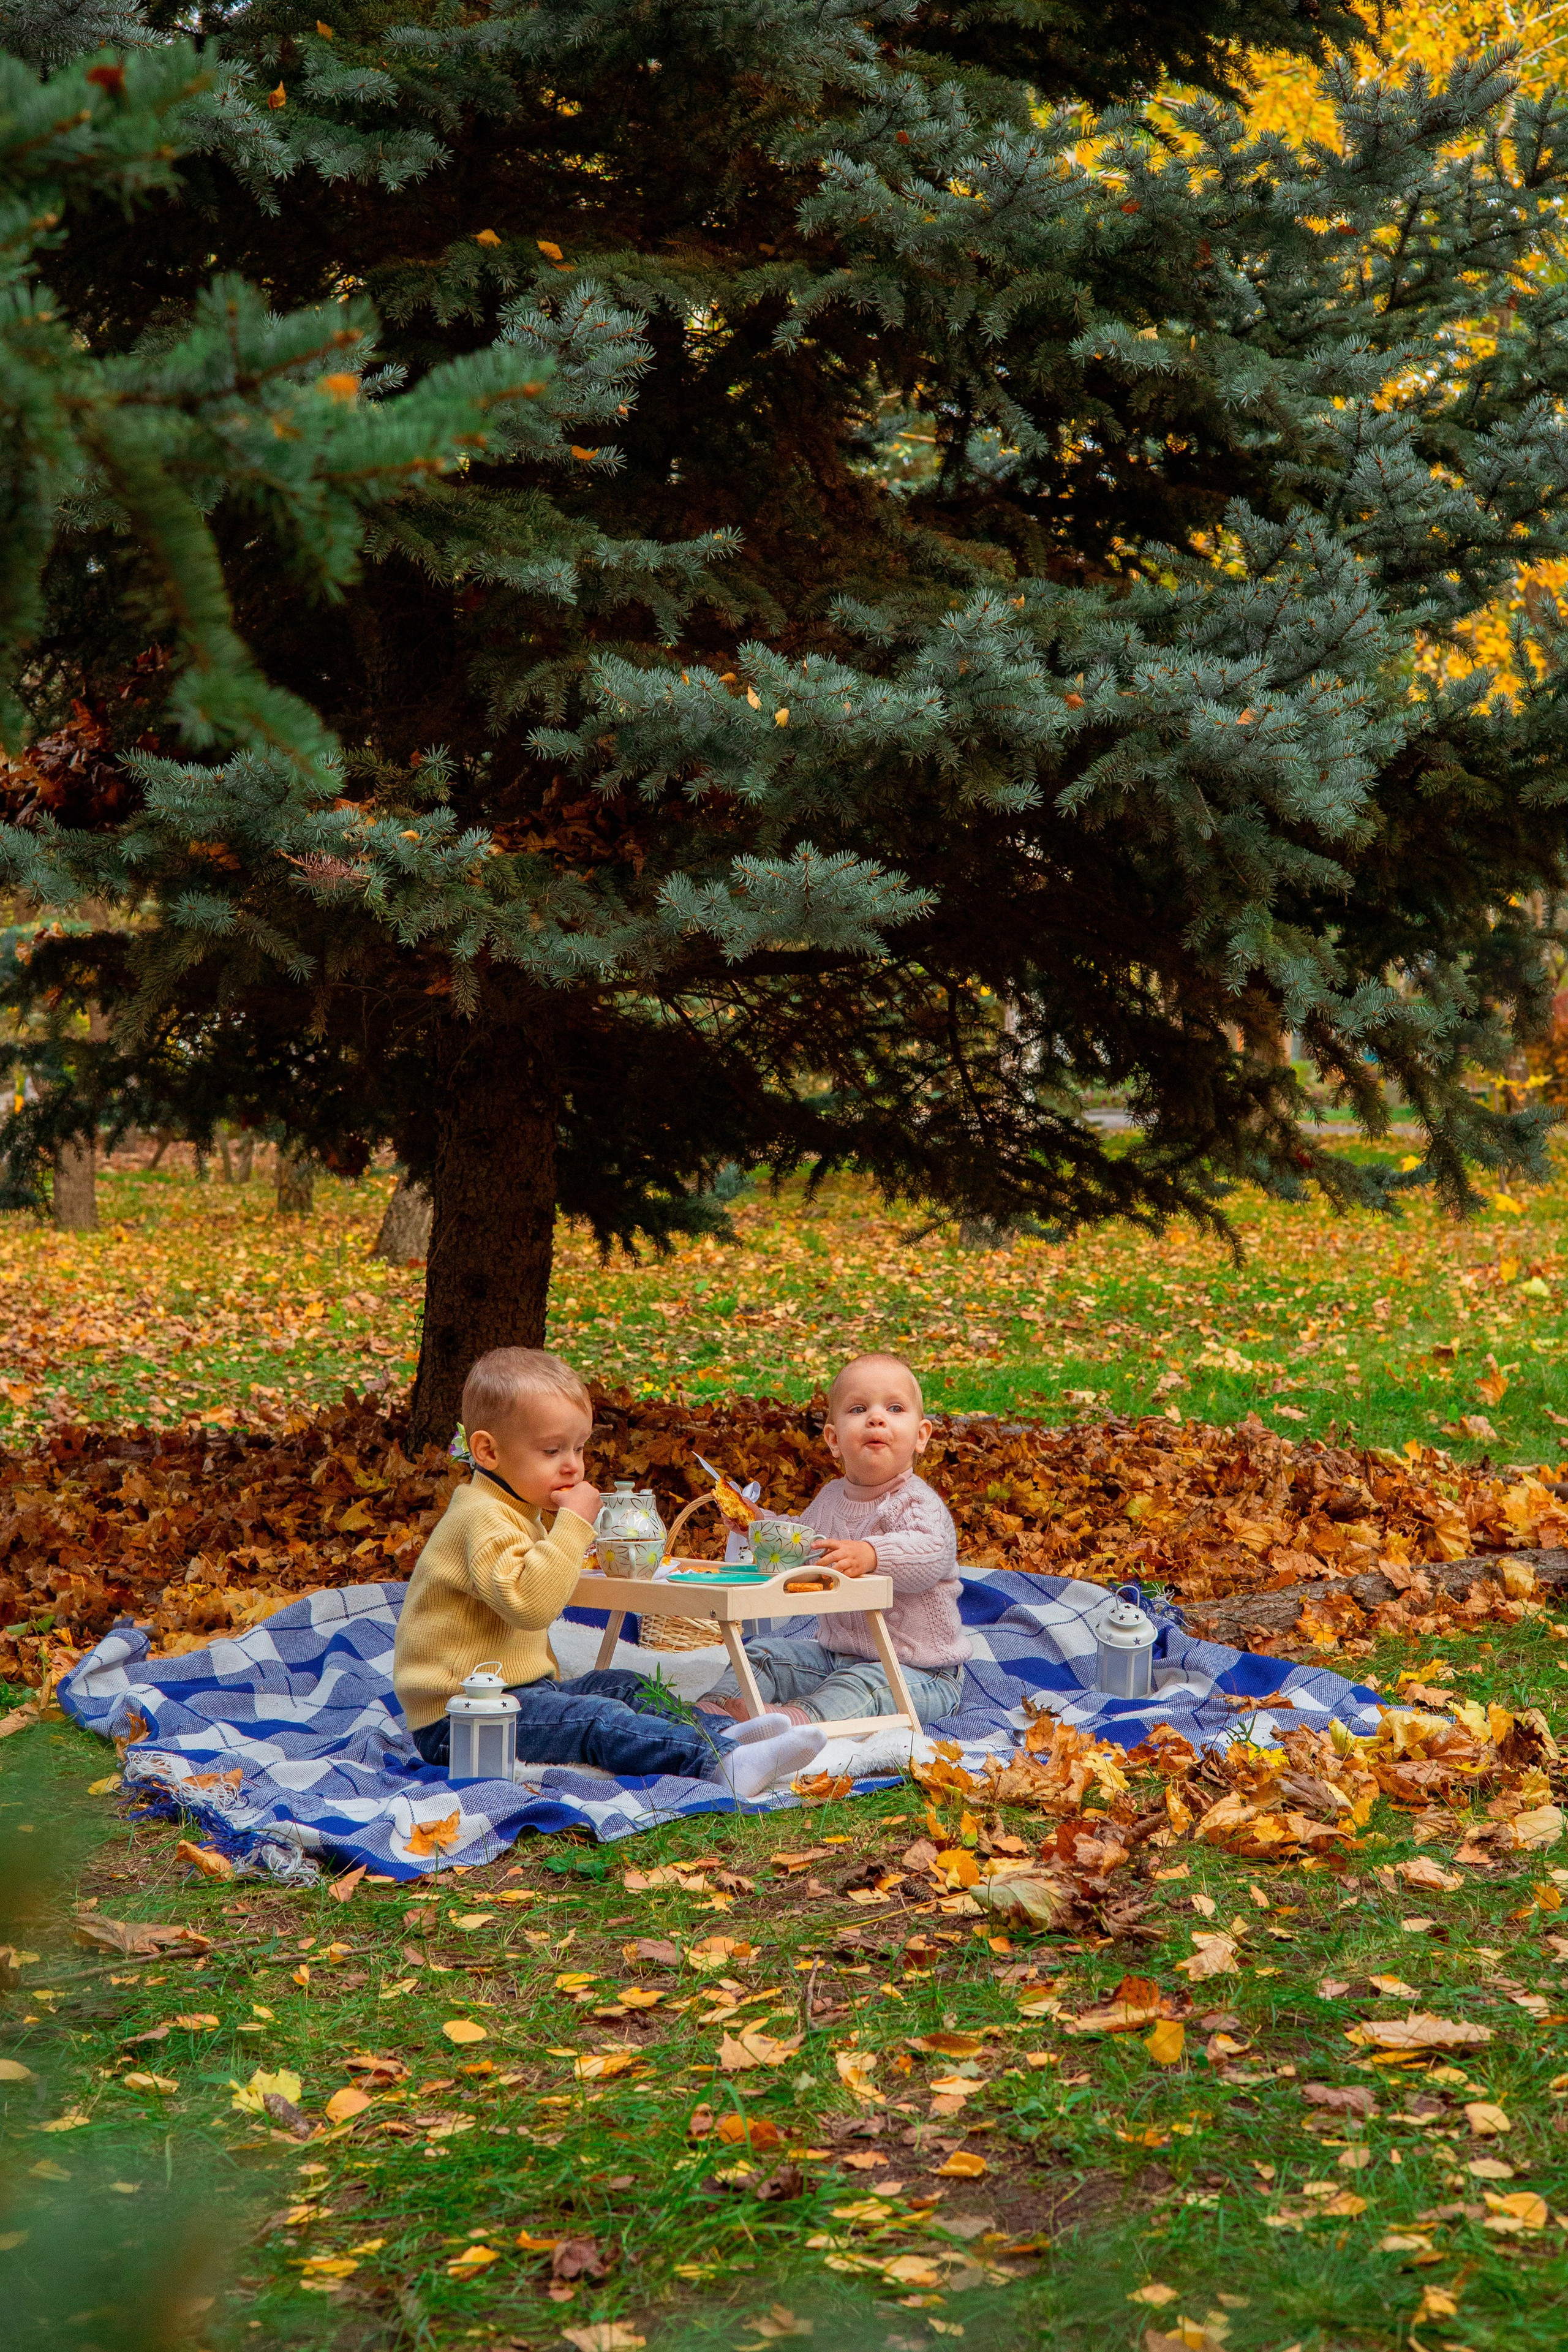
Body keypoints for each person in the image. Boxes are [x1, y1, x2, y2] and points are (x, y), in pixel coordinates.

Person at [393, 1347, 824, 1796]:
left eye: (578, 1448)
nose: (572, 1465)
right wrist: (574, 1524)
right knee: (597, 1721)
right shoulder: (481, 1517)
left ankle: (716, 1734)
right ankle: (719, 1763)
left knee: (623, 1686)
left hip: (520, 1692)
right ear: (488, 1451)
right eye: (551, 1450)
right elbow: (530, 1605)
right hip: (461, 1720)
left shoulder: (513, 1509)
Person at [704, 1352, 969, 1727]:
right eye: (859, 1409)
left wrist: (872, 1554)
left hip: (919, 1672)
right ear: (833, 1439)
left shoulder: (916, 1501)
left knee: (862, 1685)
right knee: (764, 1653)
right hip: (837, 1658)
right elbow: (805, 1542)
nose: (877, 1418)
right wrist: (760, 1525)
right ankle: (713, 1710)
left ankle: (793, 1722)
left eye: (895, 1408)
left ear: (921, 1437)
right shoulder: (830, 1499)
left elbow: (931, 1553)